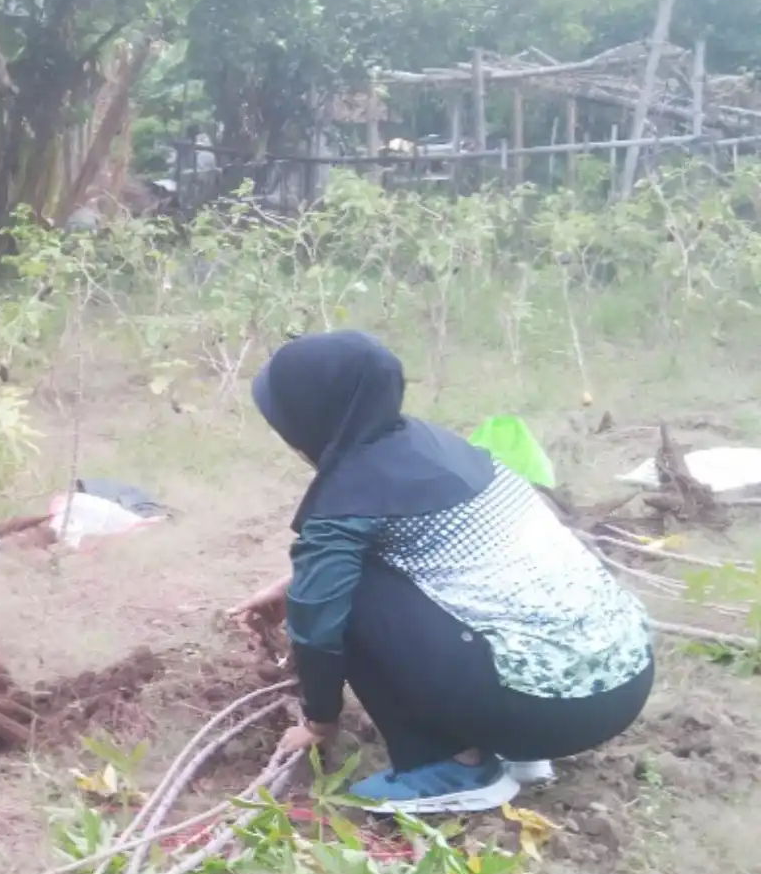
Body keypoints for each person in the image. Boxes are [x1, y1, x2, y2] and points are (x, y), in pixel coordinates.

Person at [232, 330, 654, 815]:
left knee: (349, 595)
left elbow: (318, 621)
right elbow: (449, 564)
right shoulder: (439, 447)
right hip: (621, 681)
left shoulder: (347, 499)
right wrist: (296, 584)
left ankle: (451, 766)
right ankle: (518, 749)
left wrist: (319, 720)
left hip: (550, 710)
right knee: (357, 580)